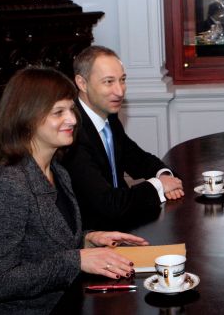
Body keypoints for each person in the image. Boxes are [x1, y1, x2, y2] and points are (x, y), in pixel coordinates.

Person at [0, 68, 148, 315]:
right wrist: (78, 259)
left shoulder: (57, 170)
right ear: (26, 117)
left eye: (71, 109)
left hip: (67, 304)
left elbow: (44, 243)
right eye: (58, 112)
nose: (72, 119)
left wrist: (89, 239)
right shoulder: (7, 185)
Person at [63, 46, 184, 230]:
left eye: (122, 80)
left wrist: (164, 175)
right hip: (94, 235)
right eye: (109, 82)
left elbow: (138, 159)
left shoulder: (108, 115)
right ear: (82, 83)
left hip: (123, 222)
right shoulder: (70, 132)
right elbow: (108, 203)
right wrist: (159, 185)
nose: (120, 91)